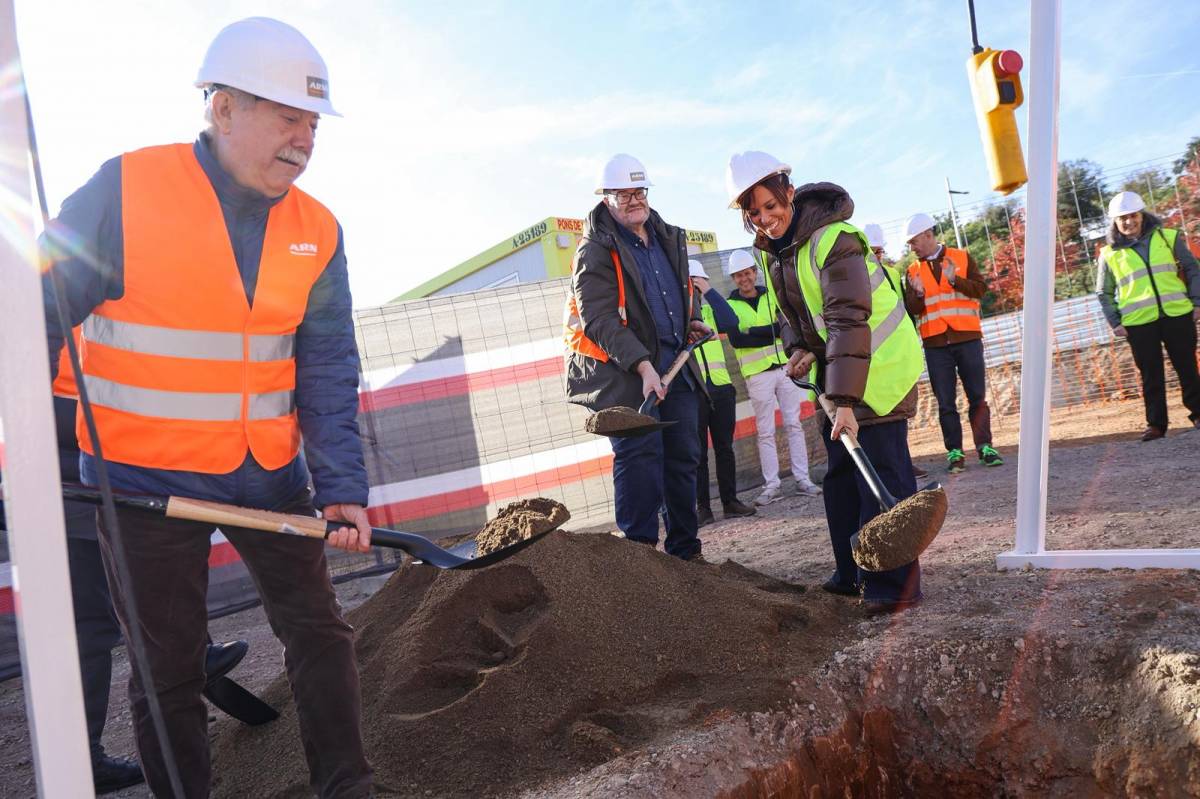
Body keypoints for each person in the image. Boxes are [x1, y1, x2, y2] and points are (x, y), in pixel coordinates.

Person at [40, 18, 373, 797]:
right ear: (223, 108)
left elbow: (325, 363)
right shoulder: (122, 191)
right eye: (287, 116)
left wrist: (343, 486)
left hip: (270, 476)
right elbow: (29, 315)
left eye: (313, 123)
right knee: (168, 667)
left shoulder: (318, 229)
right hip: (142, 477)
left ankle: (348, 786)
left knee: (321, 630)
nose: (304, 139)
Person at [726, 151, 924, 612]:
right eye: (753, 213)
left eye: (771, 206)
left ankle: (895, 586)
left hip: (879, 366)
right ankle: (851, 571)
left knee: (882, 468)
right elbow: (794, 314)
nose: (764, 219)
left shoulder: (835, 241)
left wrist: (845, 401)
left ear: (789, 194)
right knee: (840, 475)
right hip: (839, 372)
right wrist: (799, 346)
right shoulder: (772, 253)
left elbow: (848, 320)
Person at [565, 154, 711, 560]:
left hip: (676, 364)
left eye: (638, 192)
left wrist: (693, 319)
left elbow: (677, 292)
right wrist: (644, 366)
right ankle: (641, 559)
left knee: (684, 457)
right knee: (640, 458)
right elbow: (599, 319)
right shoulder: (594, 249)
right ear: (606, 198)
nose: (633, 201)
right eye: (623, 194)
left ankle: (686, 552)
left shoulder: (666, 237)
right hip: (623, 372)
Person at [903, 212, 1003, 473]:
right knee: (945, 401)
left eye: (914, 242)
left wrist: (954, 280)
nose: (912, 248)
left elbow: (980, 289)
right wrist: (918, 294)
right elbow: (912, 309)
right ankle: (955, 452)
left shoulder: (961, 257)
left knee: (977, 397)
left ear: (928, 235)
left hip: (967, 338)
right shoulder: (912, 271)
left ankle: (985, 447)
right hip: (935, 344)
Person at [1095, 191, 1200, 440]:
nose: (1128, 222)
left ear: (1142, 215)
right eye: (1122, 218)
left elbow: (1192, 270)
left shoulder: (1168, 237)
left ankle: (1198, 413)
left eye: (1132, 216)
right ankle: (1156, 424)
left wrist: (1197, 303)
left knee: (1187, 367)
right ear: (1115, 222)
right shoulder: (1108, 254)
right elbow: (1103, 292)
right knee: (1150, 374)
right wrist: (1115, 321)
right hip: (1138, 323)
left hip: (1177, 314)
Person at [721, 249, 821, 505]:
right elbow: (737, 338)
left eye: (747, 273)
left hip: (784, 369)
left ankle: (803, 479)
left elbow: (784, 327)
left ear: (755, 273)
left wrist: (754, 332)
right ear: (733, 278)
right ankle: (772, 485)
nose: (744, 278)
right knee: (765, 431)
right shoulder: (729, 306)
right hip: (757, 376)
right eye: (738, 275)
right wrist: (771, 331)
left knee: (793, 424)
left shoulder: (772, 298)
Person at [687, 260, 756, 525]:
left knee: (725, 449)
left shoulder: (712, 310)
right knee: (698, 453)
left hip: (721, 389)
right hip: (694, 392)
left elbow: (732, 321)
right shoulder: (679, 315)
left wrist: (708, 290)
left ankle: (730, 502)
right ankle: (703, 508)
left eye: (698, 282)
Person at [864, 223, 928, 481]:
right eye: (871, 252)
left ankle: (904, 460)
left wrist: (917, 293)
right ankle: (897, 463)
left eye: (879, 252)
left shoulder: (891, 274)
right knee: (885, 413)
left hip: (899, 350)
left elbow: (905, 311)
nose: (876, 257)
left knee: (902, 409)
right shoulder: (857, 277)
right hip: (877, 354)